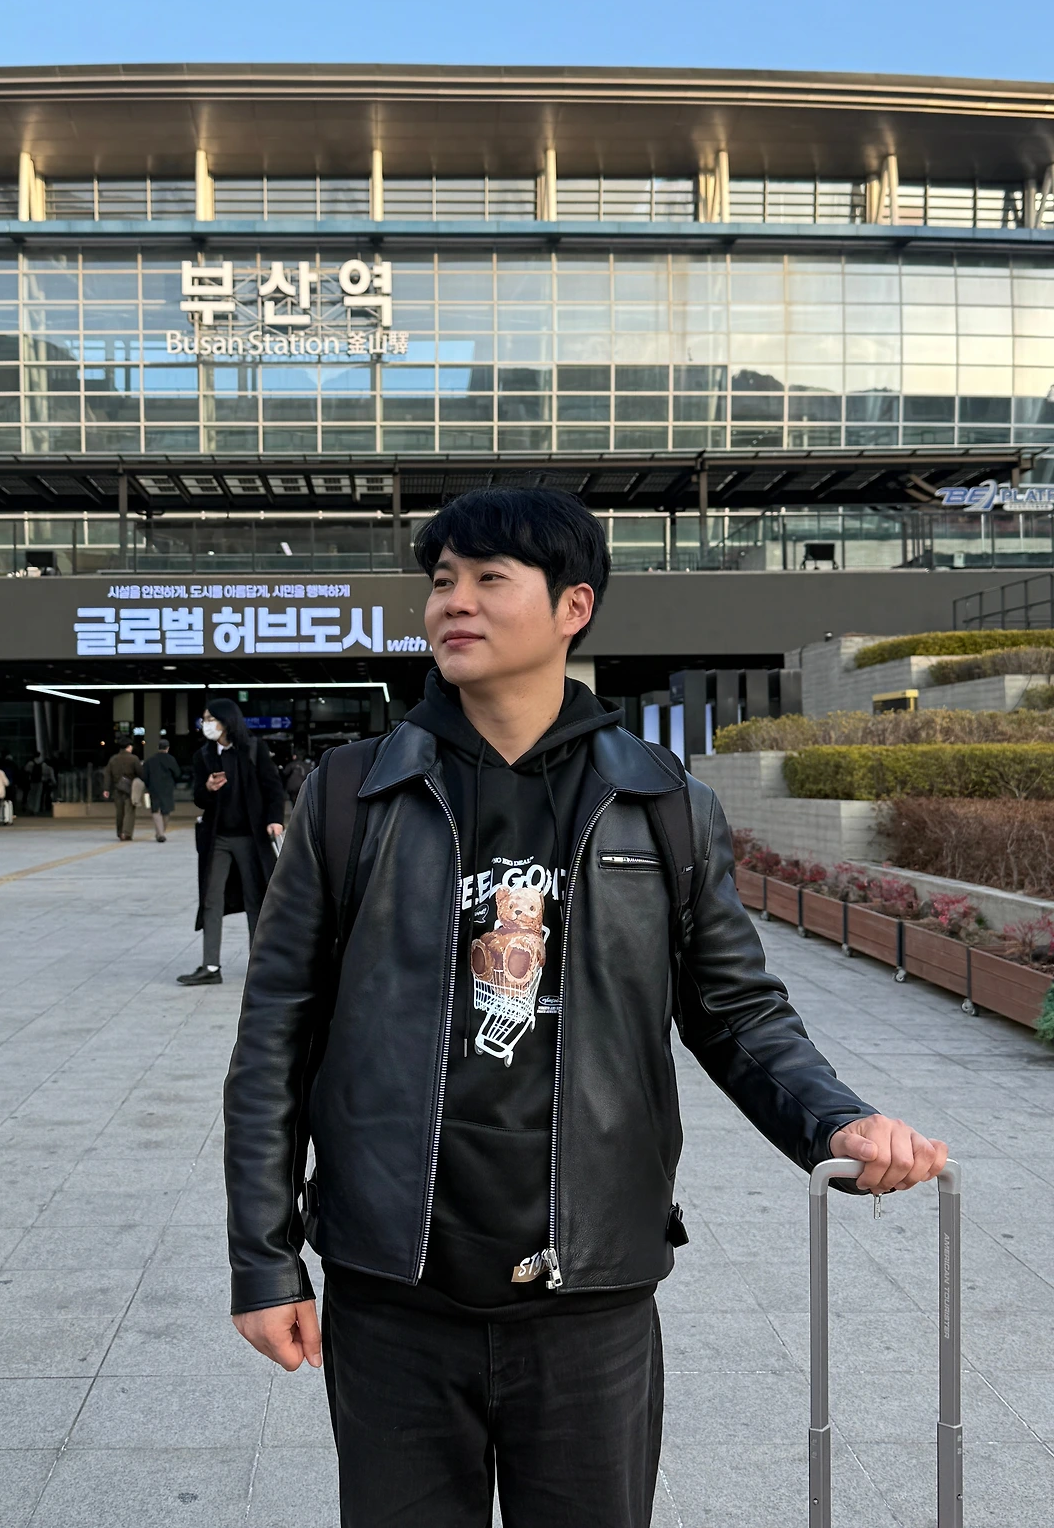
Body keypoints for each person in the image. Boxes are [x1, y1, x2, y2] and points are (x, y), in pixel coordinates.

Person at [223, 487, 950, 1528]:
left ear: (573, 606)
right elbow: (275, 1037)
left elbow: (737, 1012)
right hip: (393, 1292)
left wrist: (834, 1121)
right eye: (442, 580)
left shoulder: (662, 804)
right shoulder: (352, 794)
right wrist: (264, 1257)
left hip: (588, 1294)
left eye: (489, 578)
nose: (453, 602)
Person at [177, 699, 285, 987]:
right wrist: (207, 788)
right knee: (211, 899)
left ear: (226, 721)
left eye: (210, 718)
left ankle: (259, 966)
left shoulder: (253, 749)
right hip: (217, 838)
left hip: (251, 837)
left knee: (255, 899)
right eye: (204, 719)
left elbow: (273, 788)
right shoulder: (203, 755)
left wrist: (275, 820)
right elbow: (199, 798)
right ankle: (210, 966)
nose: (206, 724)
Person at [140, 731, 181, 842]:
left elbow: (144, 775)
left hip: (154, 788)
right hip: (167, 788)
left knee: (155, 810)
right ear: (168, 748)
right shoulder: (171, 759)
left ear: (158, 748)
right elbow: (177, 773)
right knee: (166, 811)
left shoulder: (150, 760)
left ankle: (160, 833)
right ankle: (161, 832)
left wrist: (148, 785)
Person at [102, 738, 142, 841]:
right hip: (130, 789)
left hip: (117, 788)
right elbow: (140, 773)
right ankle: (126, 833)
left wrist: (106, 789)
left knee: (120, 812)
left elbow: (108, 774)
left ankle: (120, 832)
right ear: (129, 747)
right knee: (129, 811)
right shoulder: (134, 759)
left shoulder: (113, 759)